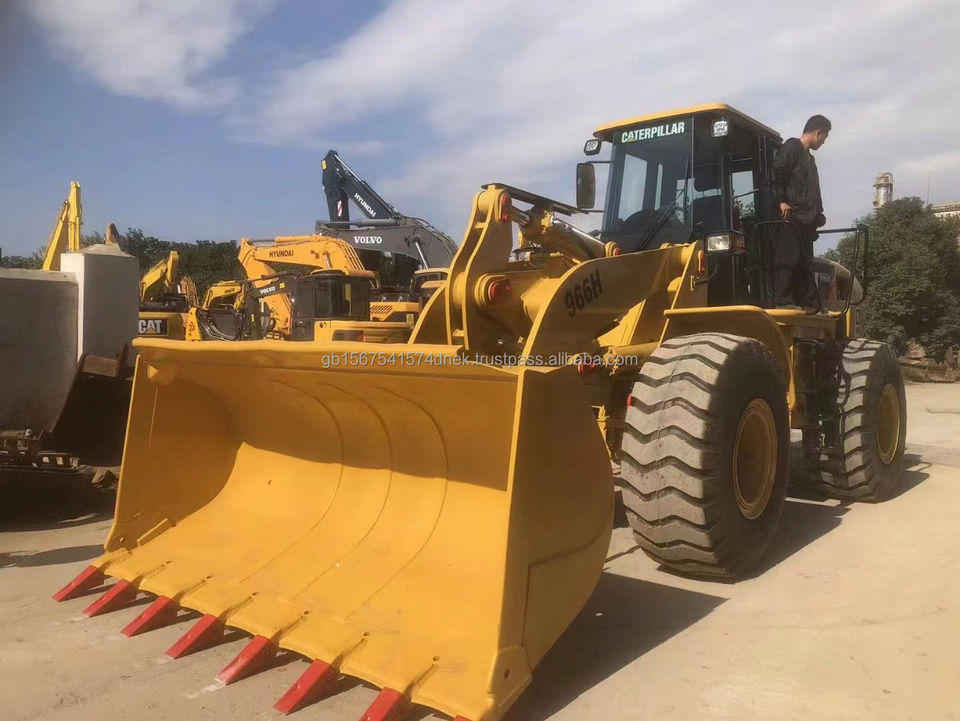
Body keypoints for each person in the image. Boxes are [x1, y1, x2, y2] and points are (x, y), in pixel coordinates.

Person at [771, 114, 830, 311]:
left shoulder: (809, 159)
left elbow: (813, 190)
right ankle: (782, 301)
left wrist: (818, 214)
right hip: (792, 215)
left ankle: (810, 304)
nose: (823, 142)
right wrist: (781, 201)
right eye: (824, 137)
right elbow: (777, 174)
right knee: (788, 259)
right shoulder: (791, 148)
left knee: (805, 262)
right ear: (818, 132)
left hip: (807, 218)